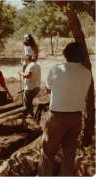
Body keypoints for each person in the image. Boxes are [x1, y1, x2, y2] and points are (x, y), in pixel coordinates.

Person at [37, 42, 91, 176]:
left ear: (66, 54)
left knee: (48, 153)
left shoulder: (56, 68)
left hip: (57, 117)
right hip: (77, 117)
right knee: (70, 154)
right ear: (82, 56)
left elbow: (48, 89)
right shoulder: (87, 72)